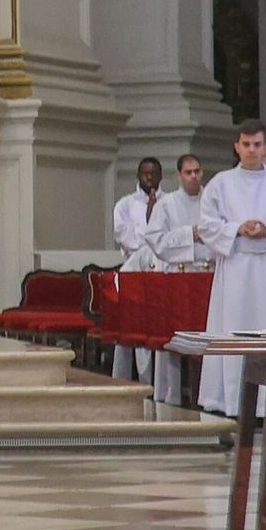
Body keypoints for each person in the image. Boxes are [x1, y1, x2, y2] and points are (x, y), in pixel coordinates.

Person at [198, 119, 266, 418]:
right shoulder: (220, 183)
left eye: (257, 144)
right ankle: (232, 403)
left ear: (265, 147)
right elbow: (207, 225)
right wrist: (236, 229)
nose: (251, 150)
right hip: (235, 267)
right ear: (236, 146)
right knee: (233, 331)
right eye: (246, 144)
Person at [144, 155, 208, 405]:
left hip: (208, 275)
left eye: (197, 171)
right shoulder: (167, 204)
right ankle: (170, 395)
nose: (193, 176)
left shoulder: (214, 201)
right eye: (188, 172)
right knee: (172, 337)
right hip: (179, 278)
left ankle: (207, 396)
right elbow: (155, 240)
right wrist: (189, 234)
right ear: (179, 175)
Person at [112, 157, 164, 382]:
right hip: (134, 271)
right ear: (138, 175)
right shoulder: (125, 204)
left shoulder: (170, 202)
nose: (149, 178)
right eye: (145, 174)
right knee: (129, 329)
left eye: (153, 174)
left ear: (161, 176)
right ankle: (123, 378)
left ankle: (158, 382)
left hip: (162, 272)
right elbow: (124, 237)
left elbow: (171, 238)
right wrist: (152, 232)